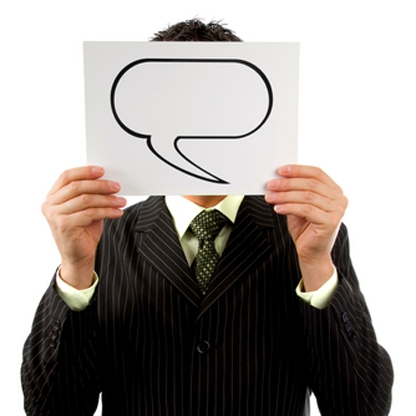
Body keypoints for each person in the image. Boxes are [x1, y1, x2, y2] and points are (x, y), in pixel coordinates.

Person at [21, 19, 393, 416]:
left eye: (214, 100)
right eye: (178, 103)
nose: (197, 120)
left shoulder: (306, 233)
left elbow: (361, 407)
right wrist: (74, 271)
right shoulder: (102, 237)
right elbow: (50, 409)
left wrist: (317, 266)